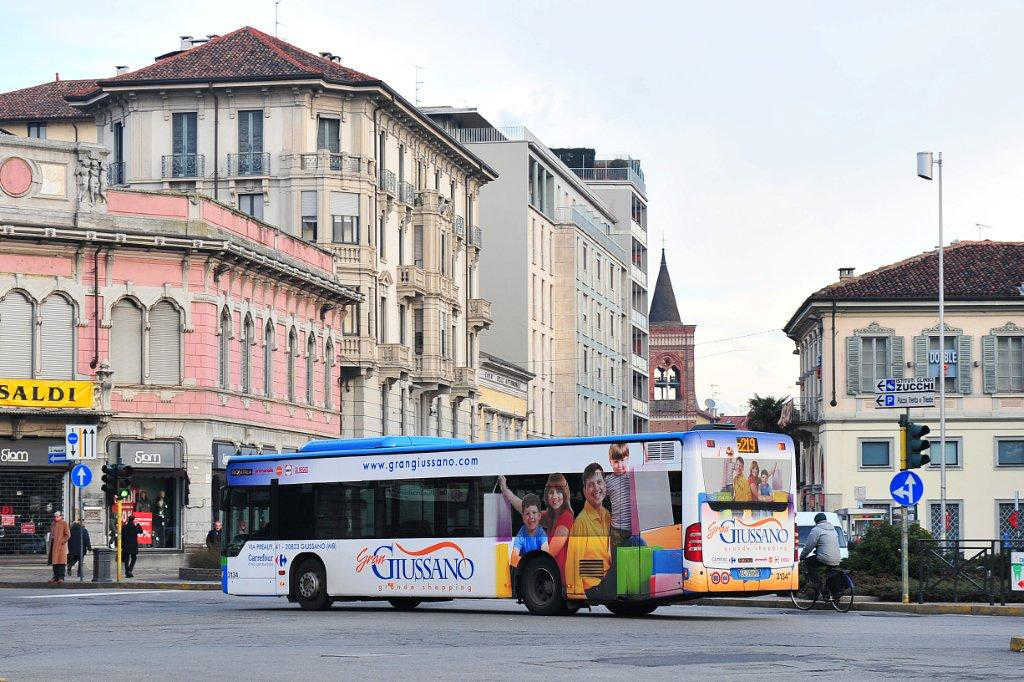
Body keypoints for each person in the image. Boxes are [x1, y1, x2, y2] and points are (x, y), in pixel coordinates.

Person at [497, 473, 574, 576]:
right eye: (551, 492)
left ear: (565, 494)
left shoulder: (566, 517)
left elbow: (549, 553)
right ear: (547, 495)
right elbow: (526, 509)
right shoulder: (551, 515)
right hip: (548, 572)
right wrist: (505, 491)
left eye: (559, 492)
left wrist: (524, 561)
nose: (554, 496)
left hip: (559, 576)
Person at [564, 463, 612, 599]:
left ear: (605, 486)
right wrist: (577, 594)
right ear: (585, 492)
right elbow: (573, 562)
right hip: (594, 586)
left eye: (599, 482)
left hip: (606, 579)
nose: (596, 488)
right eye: (591, 485)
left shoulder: (608, 516)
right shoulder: (581, 522)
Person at [799, 512, 841, 590]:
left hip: (824, 558)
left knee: (808, 562)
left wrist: (802, 556)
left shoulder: (816, 530)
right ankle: (829, 592)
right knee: (829, 574)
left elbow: (809, 546)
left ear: (816, 521)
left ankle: (817, 583)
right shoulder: (833, 529)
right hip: (837, 558)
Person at [605, 444, 634, 553]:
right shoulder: (608, 480)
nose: (620, 465)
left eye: (622, 460)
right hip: (616, 529)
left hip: (634, 529)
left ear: (628, 459)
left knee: (632, 560)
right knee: (617, 560)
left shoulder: (632, 477)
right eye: (616, 462)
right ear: (610, 462)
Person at [510, 494, 549, 568]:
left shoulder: (541, 534)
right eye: (527, 513)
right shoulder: (521, 534)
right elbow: (513, 558)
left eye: (534, 513)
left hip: (538, 569)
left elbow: (545, 556)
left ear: (539, 516)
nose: (531, 517)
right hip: (526, 569)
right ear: (523, 517)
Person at [47, 511, 70, 583]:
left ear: (61, 516)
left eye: (57, 516)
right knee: (54, 563)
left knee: (61, 562)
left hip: (61, 547)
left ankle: (61, 578)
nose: (56, 518)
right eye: (55, 516)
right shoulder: (53, 523)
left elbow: (68, 534)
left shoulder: (64, 523)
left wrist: (62, 541)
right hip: (54, 545)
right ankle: (55, 577)